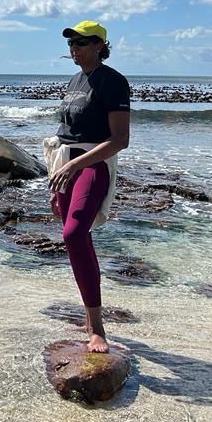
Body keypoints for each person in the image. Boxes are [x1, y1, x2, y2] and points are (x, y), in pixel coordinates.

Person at [47, 20, 130, 353]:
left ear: (99, 45)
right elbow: (66, 133)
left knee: (74, 234)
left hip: (92, 165)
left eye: (81, 43)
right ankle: (89, 316)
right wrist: (57, 180)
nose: (74, 49)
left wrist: (74, 166)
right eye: (71, 43)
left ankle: (97, 329)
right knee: (77, 238)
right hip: (66, 166)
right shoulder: (74, 80)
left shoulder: (113, 81)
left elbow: (120, 140)